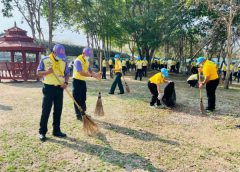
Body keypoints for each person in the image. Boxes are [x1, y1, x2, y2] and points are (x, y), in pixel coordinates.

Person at [37, 44, 70, 141]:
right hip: (48, 88)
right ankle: (42, 132)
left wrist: (66, 83)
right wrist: (47, 72)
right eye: (58, 55)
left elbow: (67, 74)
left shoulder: (63, 61)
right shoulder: (45, 60)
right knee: (46, 110)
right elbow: (38, 73)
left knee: (58, 110)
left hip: (59, 88)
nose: (60, 57)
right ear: (53, 52)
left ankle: (56, 130)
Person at [72, 47, 101, 121]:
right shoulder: (78, 61)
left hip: (82, 82)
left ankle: (83, 113)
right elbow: (81, 72)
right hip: (76, 81)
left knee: (83, 98)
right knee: (77, 98)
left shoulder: (86, 61)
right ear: (83, 53)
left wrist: (97, 75)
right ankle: (78, 114)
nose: (88, 56)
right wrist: (92, 75)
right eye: (87, 54)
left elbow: (90, 71)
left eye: (89, 55)